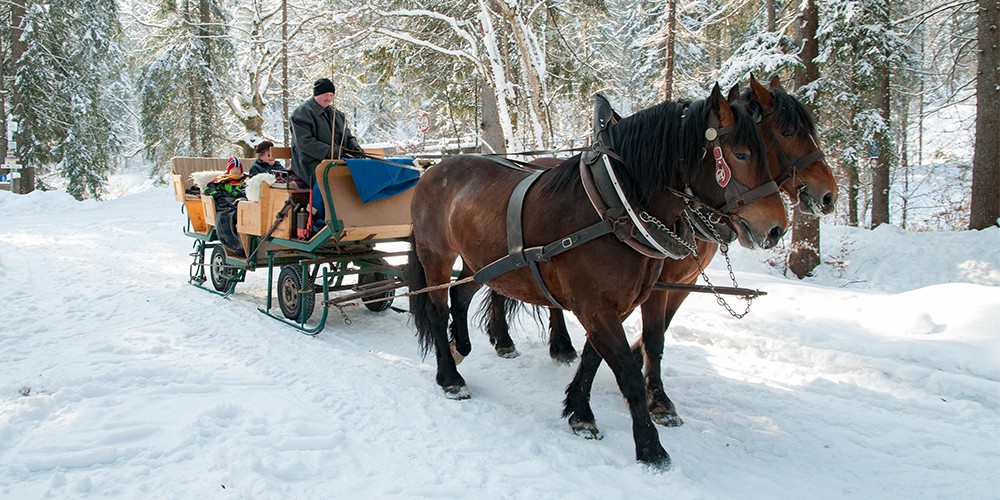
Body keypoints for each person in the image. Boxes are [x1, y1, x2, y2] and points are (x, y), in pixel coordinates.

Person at [290, 78, 364, 232]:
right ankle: (319, 218)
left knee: (357, 175)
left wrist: (354, 146)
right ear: (316, 94)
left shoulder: (338, 115)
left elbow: (347, 135)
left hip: (336, 160)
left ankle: (354, 216)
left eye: (331, 95)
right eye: (325, 94)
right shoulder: (301, 113)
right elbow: (304, 142)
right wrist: (332, 151)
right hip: (310, 162)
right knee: (327, 177)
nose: (329, 98)